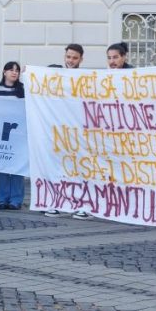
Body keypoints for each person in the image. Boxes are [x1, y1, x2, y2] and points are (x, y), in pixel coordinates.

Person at [44, 44, 92, 220]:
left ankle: (83, 205)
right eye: (68, 57)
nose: (70, 61)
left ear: (81, 59)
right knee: (58, 168)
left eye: (74, 58)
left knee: (80, 169)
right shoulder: (57, 77)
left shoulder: (85, 78)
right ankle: (56, 203)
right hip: (59, 131)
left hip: (79, 132)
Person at [0, 62, 25, 210]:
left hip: (18, 135)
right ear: (4, 72)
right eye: (11, 70)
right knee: (3, 166)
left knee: (18, 167)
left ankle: (16, 199)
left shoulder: (23, 90)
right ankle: (2, 199)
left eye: (17, 71)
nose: (14, 73)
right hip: (2, 134)